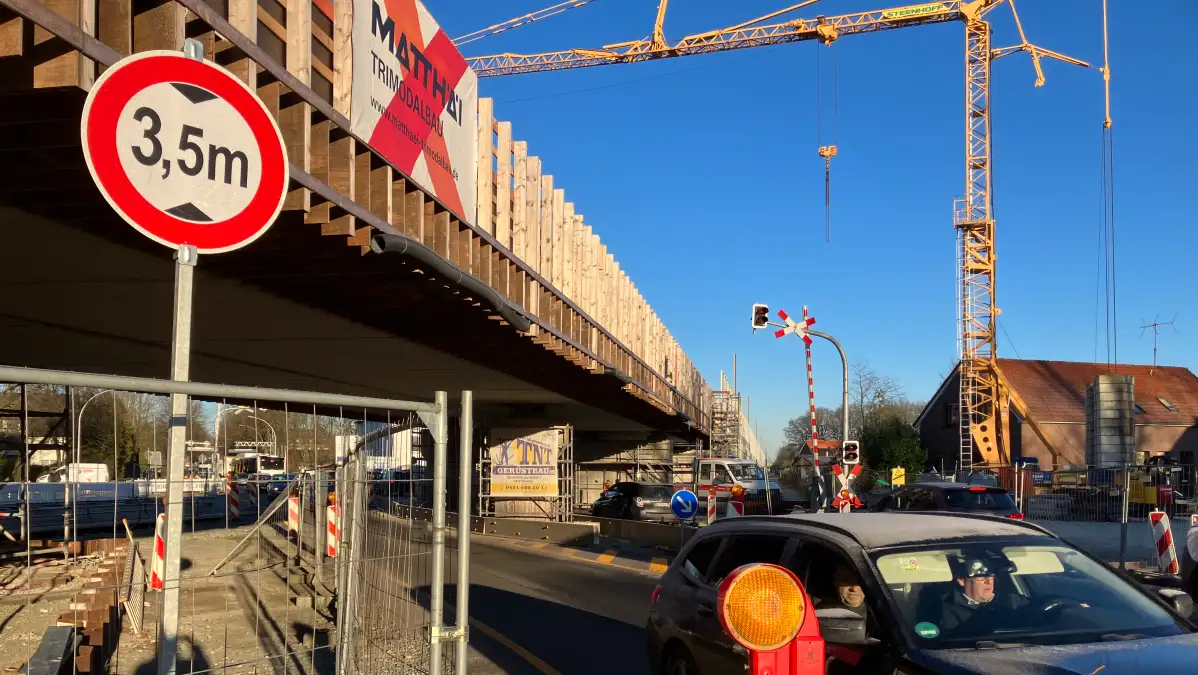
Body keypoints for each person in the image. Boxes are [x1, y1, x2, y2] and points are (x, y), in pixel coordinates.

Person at [938, 555, 1028, 633]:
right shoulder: (943, 608)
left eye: (991, 576)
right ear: (961, 580)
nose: (989, 582)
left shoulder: (1013, 602)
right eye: (981, 577)